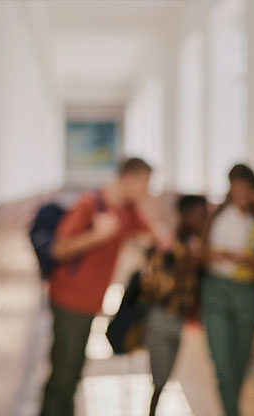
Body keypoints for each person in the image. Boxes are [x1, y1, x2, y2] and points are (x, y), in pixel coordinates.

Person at [39, 157, 169, 416]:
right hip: (69, 300)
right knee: (64, 375)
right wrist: (97, 235)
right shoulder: (90, 204)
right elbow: (59, 248)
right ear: (129, 179)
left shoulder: (127, 209)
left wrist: (165, 237)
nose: (147, 190)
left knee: (73, 370)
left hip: (89, 302)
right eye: (145, 183)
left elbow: (151, 229)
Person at [200, 164, 254, 416]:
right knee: (222, 364)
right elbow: (201, 254)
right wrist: (217, 254)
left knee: (239, 363)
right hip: (215, 290)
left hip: (246, 292)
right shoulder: (217, 215)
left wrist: (246, 261)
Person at [141, 195, 207, 416]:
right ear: (184, 216)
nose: (202, 219)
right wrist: (185, 260)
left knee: (165, 376)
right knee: (159, 379)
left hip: (177, 319)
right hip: (161, 317)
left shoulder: (194, 244)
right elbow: (158, 285)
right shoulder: (171, 247)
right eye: (198, 214)